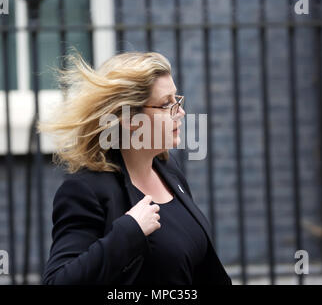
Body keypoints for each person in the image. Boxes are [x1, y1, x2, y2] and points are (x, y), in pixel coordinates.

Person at [38, 51, 232, 285]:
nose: (181, 112)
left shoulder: (169, 171)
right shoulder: (86, 190)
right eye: (166, 104)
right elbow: (58, 281)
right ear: (129, 118)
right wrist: (130, 232)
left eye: (177, 100)